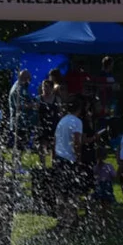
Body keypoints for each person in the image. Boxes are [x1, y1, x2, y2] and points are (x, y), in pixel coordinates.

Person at [52, 97, 85, 232]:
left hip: (59, 158)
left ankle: (61, 220)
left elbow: (55, 140)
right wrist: (78, 158)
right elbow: (77, 140)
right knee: (72, 193)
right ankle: (70, 221)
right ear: (79, 109)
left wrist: (53, 158)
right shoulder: (77, 122)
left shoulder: (62, 120)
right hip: (69, 160)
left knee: (61, 193)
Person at [32, 79, 61, 214]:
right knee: (42, 146)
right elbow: (34, 110)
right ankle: (43, 165)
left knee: (54, 146)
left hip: (54, 125)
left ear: (51, 88)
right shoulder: (39, 99)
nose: (45, 89)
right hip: (42, 125)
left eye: (47, 87)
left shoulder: (56, 99)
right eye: (43, 86)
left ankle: (54, 165)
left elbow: (60, 112)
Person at [8, 69, 36, 151]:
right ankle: (16, 162)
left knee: (22, 146)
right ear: (25, 78)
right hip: (18, 123)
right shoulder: (18, 89)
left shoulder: (22, 87)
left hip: (23, 123)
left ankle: (19, 161)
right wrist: (33, 105)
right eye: (29, 79)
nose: (30, 82)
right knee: (19, 147)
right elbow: (19, 105)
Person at [92, 144, 117, 216]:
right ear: (106, 156)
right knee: (107, 200)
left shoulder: (96, 167)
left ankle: (101, 212)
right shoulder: (109, 166)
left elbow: (94, 175)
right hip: (107, 185)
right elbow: (113, 175)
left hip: (99, 185)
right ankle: (106, 213)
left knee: (101, 200)